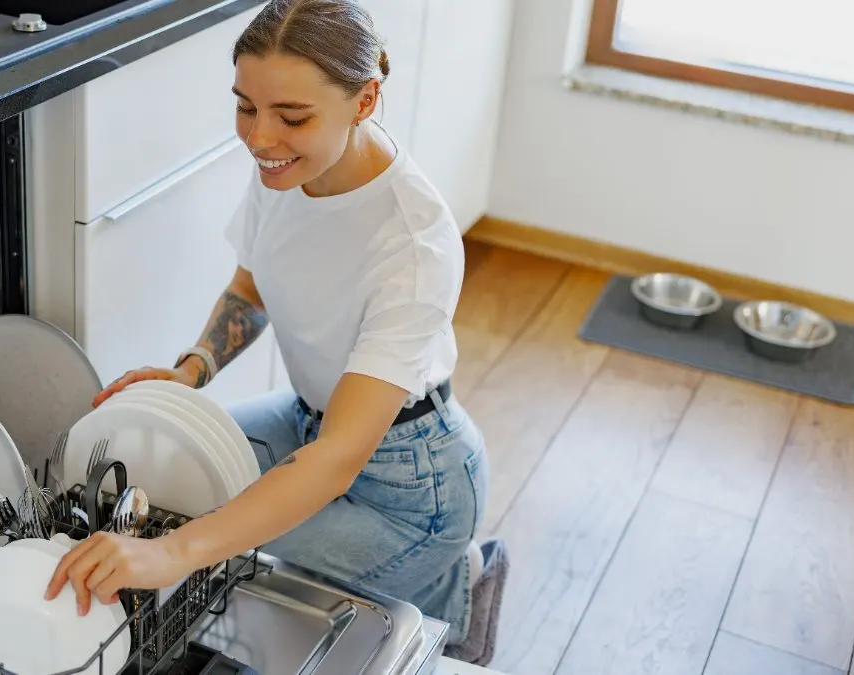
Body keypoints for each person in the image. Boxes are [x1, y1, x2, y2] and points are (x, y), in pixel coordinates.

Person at [46, 0, 508, 662]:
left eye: (292, 116)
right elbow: (251, 286)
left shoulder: (413, 244)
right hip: (306, 417)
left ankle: (453, 585)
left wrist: (174, 553)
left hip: (413, 484)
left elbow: (338, 456)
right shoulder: (288, 166)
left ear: (365, 100)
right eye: (246, 107)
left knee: (236, 568)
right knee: (176, 484)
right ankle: (411, 588)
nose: (260, 138)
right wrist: (191, 370)